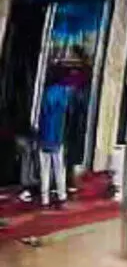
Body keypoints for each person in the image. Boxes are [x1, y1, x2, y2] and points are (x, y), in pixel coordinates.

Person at [36, 79, 70, 208]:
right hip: (56, 138)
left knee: (44, 170)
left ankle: (45, 199)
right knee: (59, 168)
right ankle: (61, 196)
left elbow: (41, 116)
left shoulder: (45, 95)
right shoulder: (62, 96)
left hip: (44, 138)